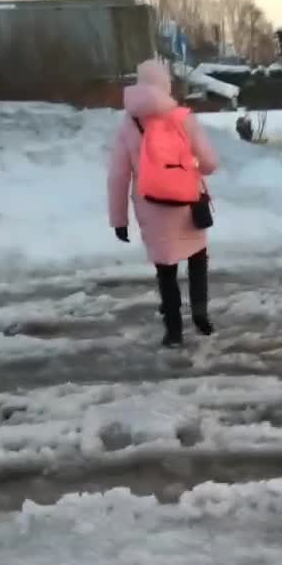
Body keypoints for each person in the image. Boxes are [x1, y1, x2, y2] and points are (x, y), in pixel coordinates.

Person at [107, 59, 219, 348]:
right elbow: (209, 164)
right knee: (197, 259)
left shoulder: (128, 123)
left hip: (151, 207)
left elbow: (118, 176)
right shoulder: (183, 117)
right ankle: (201, 316)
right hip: (186, 202)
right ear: (165, 84)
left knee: (165, 269)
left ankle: (173, 330)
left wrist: (119, 219)